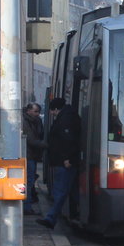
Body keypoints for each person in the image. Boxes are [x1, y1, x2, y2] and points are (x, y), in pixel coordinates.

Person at [36, 97, 80, 230]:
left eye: (51, 111)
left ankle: (51, 218)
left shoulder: (65, 119)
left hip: (64, 162)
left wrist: (68, 159)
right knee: (71, 191)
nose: (51, 114)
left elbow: (68, 141)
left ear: (56, 109)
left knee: (60, 191)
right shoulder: (67, 116)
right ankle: (75, 214)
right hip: (64, 160)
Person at [22, 102, 46, 215]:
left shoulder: (37, 121)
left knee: (30, 180)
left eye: (38, 112)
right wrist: (46, 144)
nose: (38, 114)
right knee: (28, 181)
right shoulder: (25, 122)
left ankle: (27, 205)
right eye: (35, 111)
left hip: (33, 155)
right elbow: (30, 140)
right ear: (28, 111)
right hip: (28, 155)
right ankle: (26, 206)